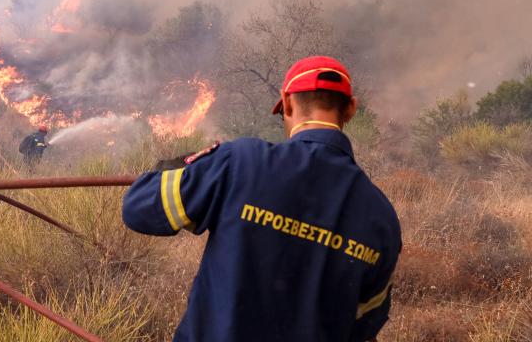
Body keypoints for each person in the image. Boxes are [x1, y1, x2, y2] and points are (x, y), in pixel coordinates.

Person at [122, 56, 401, 342]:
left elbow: (139, 208)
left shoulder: (241, 162)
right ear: (351, 109)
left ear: (287, 102)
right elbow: (364, 326)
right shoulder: (382, 219)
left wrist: (187, 167)